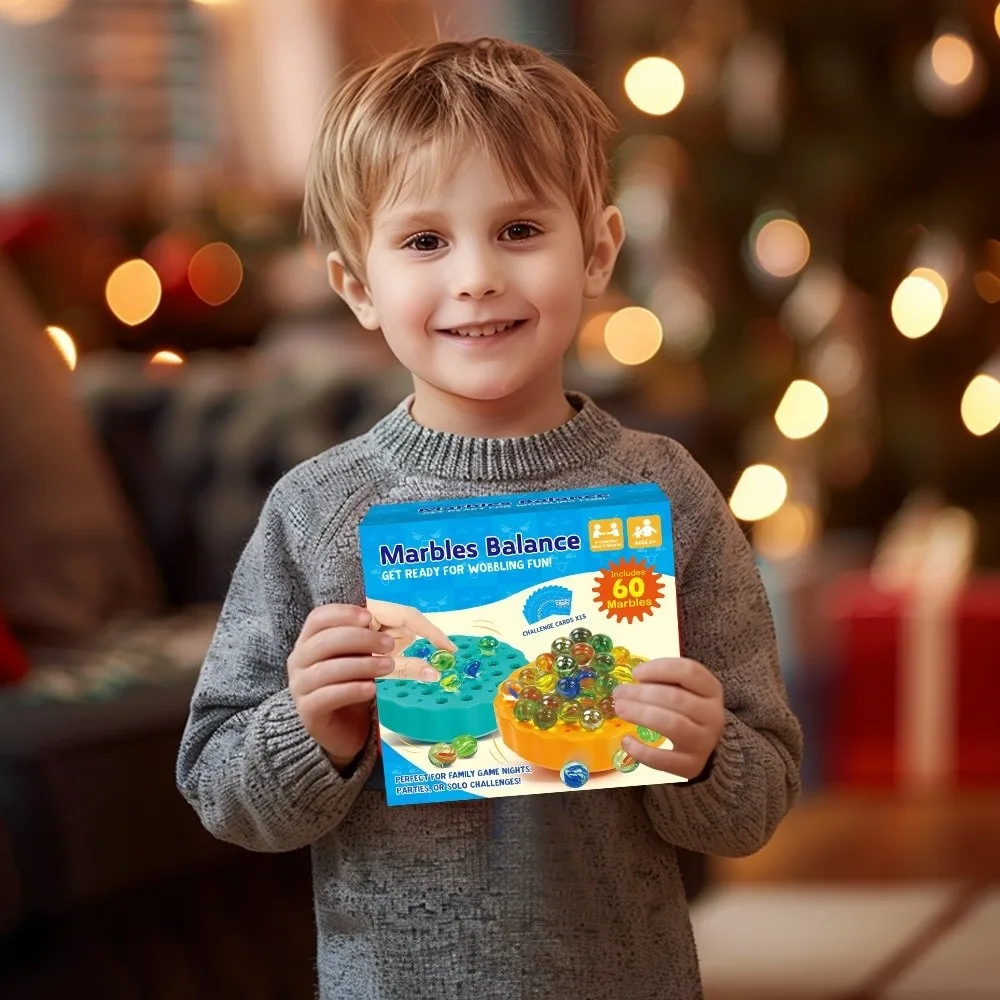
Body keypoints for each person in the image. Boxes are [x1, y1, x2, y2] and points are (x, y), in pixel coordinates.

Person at [176, 37, 802, 1000]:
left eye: (519, 229)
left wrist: (706, 755)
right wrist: (312, 733)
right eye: (425, 242)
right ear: (357, 287)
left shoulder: (668, 492)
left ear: (596, 251)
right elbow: (220, 788)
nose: (475, 276)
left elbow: (759, 795)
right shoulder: (315, 512)